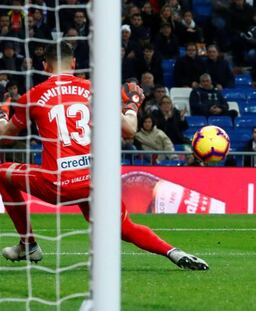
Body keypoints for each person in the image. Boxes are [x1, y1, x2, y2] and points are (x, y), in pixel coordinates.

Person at [0, 42, 208, 270]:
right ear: (74, 63)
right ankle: (173, 252)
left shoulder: (34, 95)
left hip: (57, 184)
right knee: (123, 227)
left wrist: (2, 113)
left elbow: (6, 137)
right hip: (94, 182)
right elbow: (130, 129)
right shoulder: (93, 90)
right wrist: (132, 104)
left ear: (45, 66)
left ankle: (28, 245)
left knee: (2, 173)